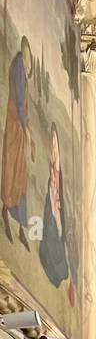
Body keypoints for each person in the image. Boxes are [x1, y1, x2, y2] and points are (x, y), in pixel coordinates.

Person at [1, 38, 34, 247]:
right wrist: (27, 129)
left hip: (20, 129)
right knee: (11, 172)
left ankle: (21, 226)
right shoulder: (19, 66)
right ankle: (5, 209)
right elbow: (20, 102)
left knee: (20, 177)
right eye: (28, 55)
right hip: (15, 127)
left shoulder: (21, 66)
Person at [38, 125, 74, 304]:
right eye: (52, 143)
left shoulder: (57, 171)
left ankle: (63, 275)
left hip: (55, 206)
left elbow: (57, 175)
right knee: (51, 238)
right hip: (52, 204)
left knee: (55, 235)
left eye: (55, 144)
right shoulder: (52, 171)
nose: (53, 148)